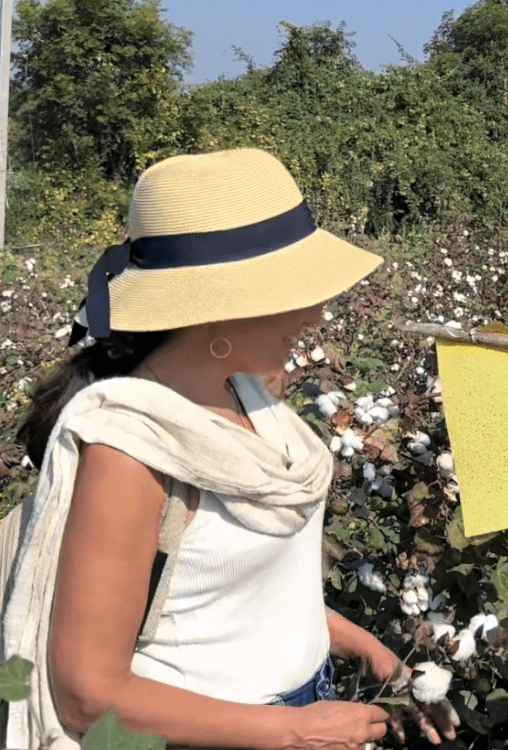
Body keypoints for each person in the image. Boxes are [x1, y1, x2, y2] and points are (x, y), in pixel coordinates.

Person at [2, 149, 456, 750]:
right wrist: (295, 731)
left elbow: (239, 601)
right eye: (299, 291)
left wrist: (377, 658)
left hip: (297, 716)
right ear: (220, 310)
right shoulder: (131, 453)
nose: (319, 313)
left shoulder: (252, 405)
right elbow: (89, 696)